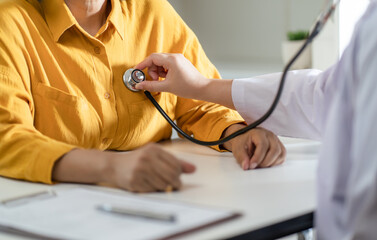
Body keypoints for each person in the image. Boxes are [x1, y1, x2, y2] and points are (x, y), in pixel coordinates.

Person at [134, 2, 377, 238]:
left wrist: (236, 131)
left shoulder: (154, 13)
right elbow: (325, 96)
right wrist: (203, 87)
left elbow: (198, 111)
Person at [0, 0, 286, 193]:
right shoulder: (9, 21)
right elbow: (7, 136)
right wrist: (110, 168)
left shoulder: (154, 13)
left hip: (159, 201)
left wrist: (237, 134)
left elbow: (198, 103)